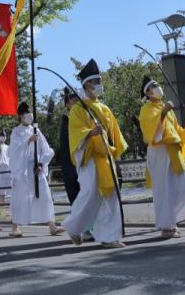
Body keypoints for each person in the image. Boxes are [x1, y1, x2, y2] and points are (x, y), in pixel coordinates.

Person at [62, 59, 128, 249]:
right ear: (86, 85)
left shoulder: (105, 109)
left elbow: (115, 135)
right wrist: (90, 133)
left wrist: (117, 158)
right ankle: (73, 228)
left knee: (111, 196)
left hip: (106, 157)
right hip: (90, 158)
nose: (100, 84)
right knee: (89, 195)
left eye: (100, 80)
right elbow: (76, 134)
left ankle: (109, 237)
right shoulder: (78, 109)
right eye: (96, 81)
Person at [139, 76, 185, 239]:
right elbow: (150, 133)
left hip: (173, 151)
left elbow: (176, 130)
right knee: (164, 190)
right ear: (147, 93)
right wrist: (162, 113)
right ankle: (167, 226)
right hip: (160, 151)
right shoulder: (146, 109)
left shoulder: (164, 106)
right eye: (153, 86)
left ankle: (169, 220)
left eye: (157, 85)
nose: (158, 88)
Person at [8, 101, 64, 238]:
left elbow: (47, 150)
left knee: (44, 195)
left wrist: (40, 163)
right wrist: (28, 141)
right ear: (20, 116)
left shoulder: (36, 130)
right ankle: (15, 227)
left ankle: (52, 226)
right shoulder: (16, 131)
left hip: (36, 167)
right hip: (23, 169)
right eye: (26, 113)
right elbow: (14, 152)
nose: (30, 115)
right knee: (20, 197)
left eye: (30, 112)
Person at [57, 89, 80, 205]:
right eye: (73, 101)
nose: (77, 103)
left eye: (78, 101)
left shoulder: (83, 118)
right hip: (72, 165)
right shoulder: (66, 121)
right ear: (67, 105)